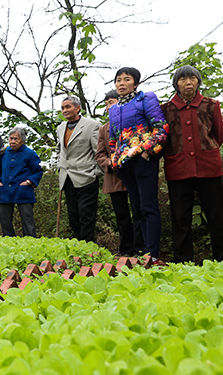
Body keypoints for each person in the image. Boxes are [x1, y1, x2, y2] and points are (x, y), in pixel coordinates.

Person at [161, 65, 223, 263]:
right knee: (180, 218)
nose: (188, 82)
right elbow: (163, 139)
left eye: (192, 78)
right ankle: (182, 261)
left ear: (198, 82)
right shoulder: (166, 109)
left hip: (208, 168)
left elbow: (218, 135)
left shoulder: (211, 105)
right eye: (183, 79)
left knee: (216, 215)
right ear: (176, 84)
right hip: (177, 169)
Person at [109, 67, 169, 265]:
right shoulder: (113, 109)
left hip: (144, 160)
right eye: (118, 80)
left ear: (135, 83)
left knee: (148, 206)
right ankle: (143, 253)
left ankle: (153, 254)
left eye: (127, 79)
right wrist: (114, 159)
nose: (122, 83)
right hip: (125, 165)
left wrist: (146, 152)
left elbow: (161, 128)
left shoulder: (146, 99)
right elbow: (113, 138)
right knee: (137, 209)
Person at [96, 90, 144, 255]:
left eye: (113, 102)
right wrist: (110, 162)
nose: (110, 106)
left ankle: (140, 248)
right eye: (107, 103)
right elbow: (99, 154)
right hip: (114, 177)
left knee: (139, 211)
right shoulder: (104, 129)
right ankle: (125, 250)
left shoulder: (135, 123)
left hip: (135, 174)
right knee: (122, 216)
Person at [57, 96, 103, 242]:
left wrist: (96, 173)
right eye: (63, 108)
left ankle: (89, 246)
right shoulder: (60, 128)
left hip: (86, 176)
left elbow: (98, 151)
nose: (65, 110)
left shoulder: (92, 125)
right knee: (73, 215)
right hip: (67, 177)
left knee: (86, 214)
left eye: (68, 107)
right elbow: (61, 151)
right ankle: (79, 245)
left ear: (78, 108)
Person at [0, 127, 43, 237]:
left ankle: (30, 242)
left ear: (23, 140)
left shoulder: (30, 153)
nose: (13, 141)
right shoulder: (3, 152)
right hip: (5, 190)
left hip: (23, 191)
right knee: (4, 220)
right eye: (11, 138)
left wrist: (29, 182)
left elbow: (38, 171)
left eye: (16, 139)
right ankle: (9, 241)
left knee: (27, 219)